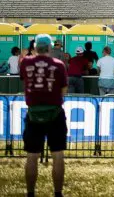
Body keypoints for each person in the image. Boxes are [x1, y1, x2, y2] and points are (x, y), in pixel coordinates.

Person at [19, 34, 68, 197]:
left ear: (35, 47)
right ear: (50, 47)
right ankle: (58, 193)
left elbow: (23, 79)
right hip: (55, 112)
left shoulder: (25, 63)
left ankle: (31, 192)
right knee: (58, 155)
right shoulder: (59, 65)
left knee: (32, 156)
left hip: (33, 113)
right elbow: (64, 90)